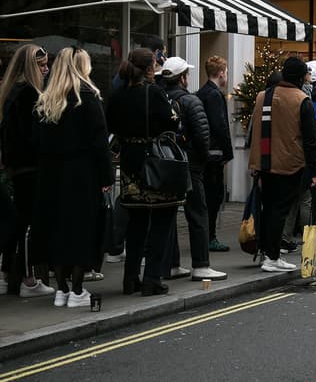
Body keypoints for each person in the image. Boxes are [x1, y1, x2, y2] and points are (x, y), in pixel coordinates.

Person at [34, 47, 114, 307]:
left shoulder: (47, 100)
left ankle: (61, 289)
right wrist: (107, 177)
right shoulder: (87, 98)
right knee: (82, 231)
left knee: (57, 230)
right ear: (82, 66)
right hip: (82, 175)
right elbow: (100, 143)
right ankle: (78, 291)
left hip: (50, 175)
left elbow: (38, 143)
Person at [106, 48, 181, 296]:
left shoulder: (117, 94)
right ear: (150, 68)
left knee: (136, 223)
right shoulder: (154, 92)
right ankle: (152, 278)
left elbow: (111, 126)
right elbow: (173, 122)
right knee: (161, 222)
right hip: (155, 161)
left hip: (130, 161)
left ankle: (130, 279)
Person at [248, 57, 316, 271]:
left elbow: (255, 129)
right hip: (290, 163)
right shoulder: (302, 100)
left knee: (268, 207)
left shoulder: (263, 95)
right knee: (280, 210)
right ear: (300, 78)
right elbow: (310, 140)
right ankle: (272, 257)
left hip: (264, 161)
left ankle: (266, 253)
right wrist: (314, 171)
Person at [161, 57, 227, 282]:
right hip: (190, 165)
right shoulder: (191, 101)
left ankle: (171, 264)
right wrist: (202, 159)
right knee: (198, 214)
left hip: (164, 164)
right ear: (182, 78)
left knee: (168, 215)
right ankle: (201, 265)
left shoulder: (158, 97)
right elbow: (203, 136)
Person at [0, 44, 54, 298]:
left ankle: (7, 274)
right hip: (30, 166)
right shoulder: (28, 94)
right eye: (41, 65)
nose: (46, 70)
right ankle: (28, 279)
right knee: (27, 223)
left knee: (18, 221)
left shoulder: (12, 91)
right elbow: (32, 136)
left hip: (18, 166)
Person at [196, 56, 234, 253]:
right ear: (221, 73)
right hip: (215, 153)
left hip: (203, 152)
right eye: (226, 72)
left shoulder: (201, 93)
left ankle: (206, 235)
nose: (226, 76)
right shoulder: (215, 95)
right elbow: (220, 125)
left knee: (206, 196)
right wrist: (228, 152)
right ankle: (210, 237)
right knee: (214, 196)